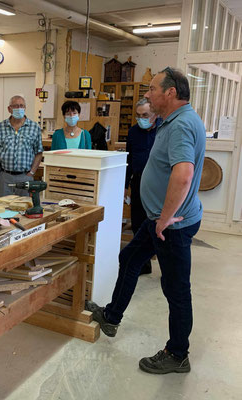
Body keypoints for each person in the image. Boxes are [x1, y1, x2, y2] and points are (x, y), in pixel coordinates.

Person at [86, 67, 205, 375]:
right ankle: (111, 317)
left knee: (176, 289)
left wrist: (165, 219)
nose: (148, 95)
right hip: (158, 220)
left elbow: (184, 174)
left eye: (153, 89)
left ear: (171, 93)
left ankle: (178, 353)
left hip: (171, 225)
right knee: (129, 258)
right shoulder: (172, 121)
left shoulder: (180, 126)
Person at [125, 98, 161, 275]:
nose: (141, 119)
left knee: (158, 223)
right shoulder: (133, 132)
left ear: (154, 114)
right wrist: (125, 186)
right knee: (138, 222)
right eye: (138, 116)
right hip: (138, 181)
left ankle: (164, 263)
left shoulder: (164, 129)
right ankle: (143, 264)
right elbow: (129, 160)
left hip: (158, 183)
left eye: (145, 115)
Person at [0, 95, 43, 197]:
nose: (19, 108)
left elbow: (39, 153)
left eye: (21, 106)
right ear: (9, 109)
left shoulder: (34, 127)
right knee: (2, 208)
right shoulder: (0, 127)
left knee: (24, 208)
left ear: (25, 108)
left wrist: (31, 173)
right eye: (16, 106)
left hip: (25, 176)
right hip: (4, 176)